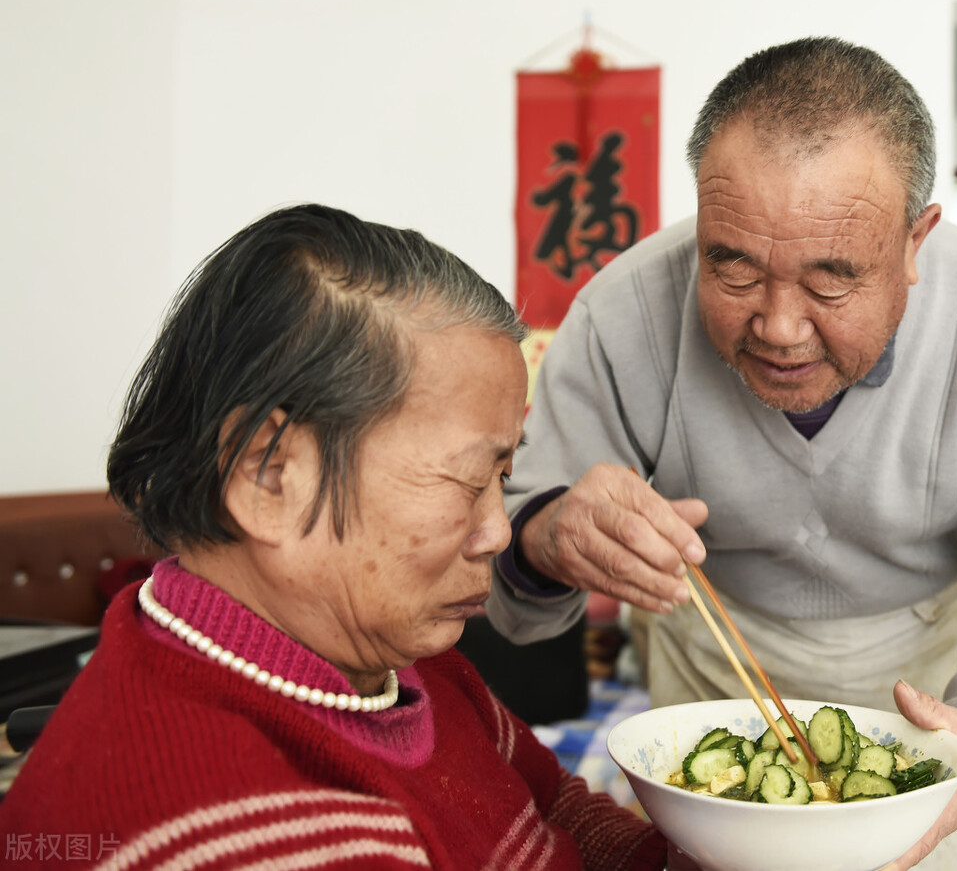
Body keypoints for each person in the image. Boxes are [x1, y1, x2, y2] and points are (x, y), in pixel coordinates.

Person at [486, 37, 957, 870]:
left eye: (830, 280)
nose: (780, 327)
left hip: (944, 691)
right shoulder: (622, 313)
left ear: (916, 241)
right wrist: (546, 536)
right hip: (712, 677)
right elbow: (510, 587)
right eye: (733, 268)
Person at [0, 204, 669, 870]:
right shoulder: (224, 834)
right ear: (268, 476)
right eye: (469, 480)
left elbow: (551, 803)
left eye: (506, 474)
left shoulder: (392, 659)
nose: (499, 531)